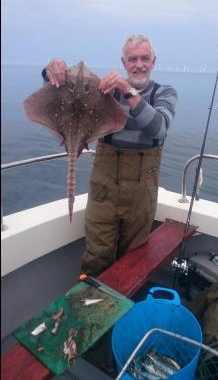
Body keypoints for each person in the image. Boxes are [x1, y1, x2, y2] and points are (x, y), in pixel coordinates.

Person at [42, 35, 177, 276]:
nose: (139, 64)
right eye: (132, 59)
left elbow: (158, 128)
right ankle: (90, 308)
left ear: (153, 62)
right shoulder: (107, 92)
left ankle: (127, 311)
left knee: (134, 261)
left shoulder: (164, 93)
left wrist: (127, 90)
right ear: (123, 63)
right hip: (104, 192)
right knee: (96, 257)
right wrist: (52, 70)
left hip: (140, 196)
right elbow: (66, 93)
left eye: (144, 58)